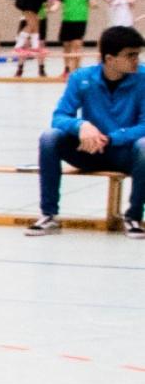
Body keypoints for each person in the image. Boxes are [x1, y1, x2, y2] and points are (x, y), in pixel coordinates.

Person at [26, 25, 145, 238]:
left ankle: (134, 217)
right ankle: (48, 215)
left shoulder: (143, 79)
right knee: (49, 137)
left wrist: (111, 138)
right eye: (131, 55)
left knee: (144, 146)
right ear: (109, 59)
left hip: (125, 154)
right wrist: (81, 126)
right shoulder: (81, 78)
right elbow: (59, 116)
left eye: (138, 54)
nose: (137, 60)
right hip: (88, 151)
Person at [14, 0, 61, 78]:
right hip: (31, 3)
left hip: (28, 2)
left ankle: (35, 48)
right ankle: (19, 46)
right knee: (32, 24)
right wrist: (44, 0)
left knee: (35, 25)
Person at [58, 0, 93, 74]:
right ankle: (66, 68)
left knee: (77, 45)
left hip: (80, 21)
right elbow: (58, 3)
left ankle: (77, 69)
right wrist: (52, 8)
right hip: (67, 21)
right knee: (67, 46)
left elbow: (91, 2)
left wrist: (94, 4)